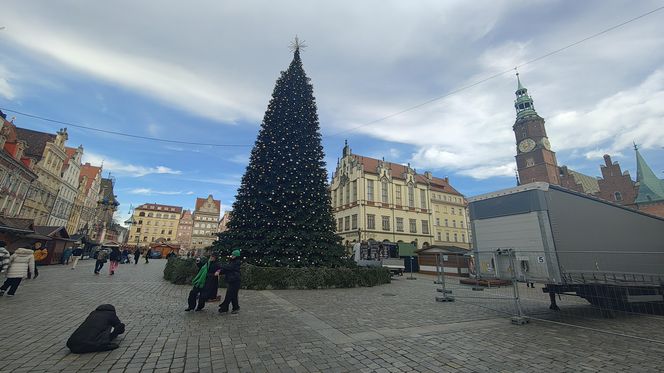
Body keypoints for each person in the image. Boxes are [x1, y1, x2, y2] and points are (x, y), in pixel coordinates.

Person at [218, 249, 242, 315]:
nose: (232, 256)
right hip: (232, 280)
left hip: (235, 280)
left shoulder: (237, 262)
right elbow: (226, 269)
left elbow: (229, 268)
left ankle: (224, 308)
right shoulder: (232, 262)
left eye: (233, 255)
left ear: (236, 256)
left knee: (229, 295)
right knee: (233, 295)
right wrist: (219, 272)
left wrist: (220, 266)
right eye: (232, 255)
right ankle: (236, 307)